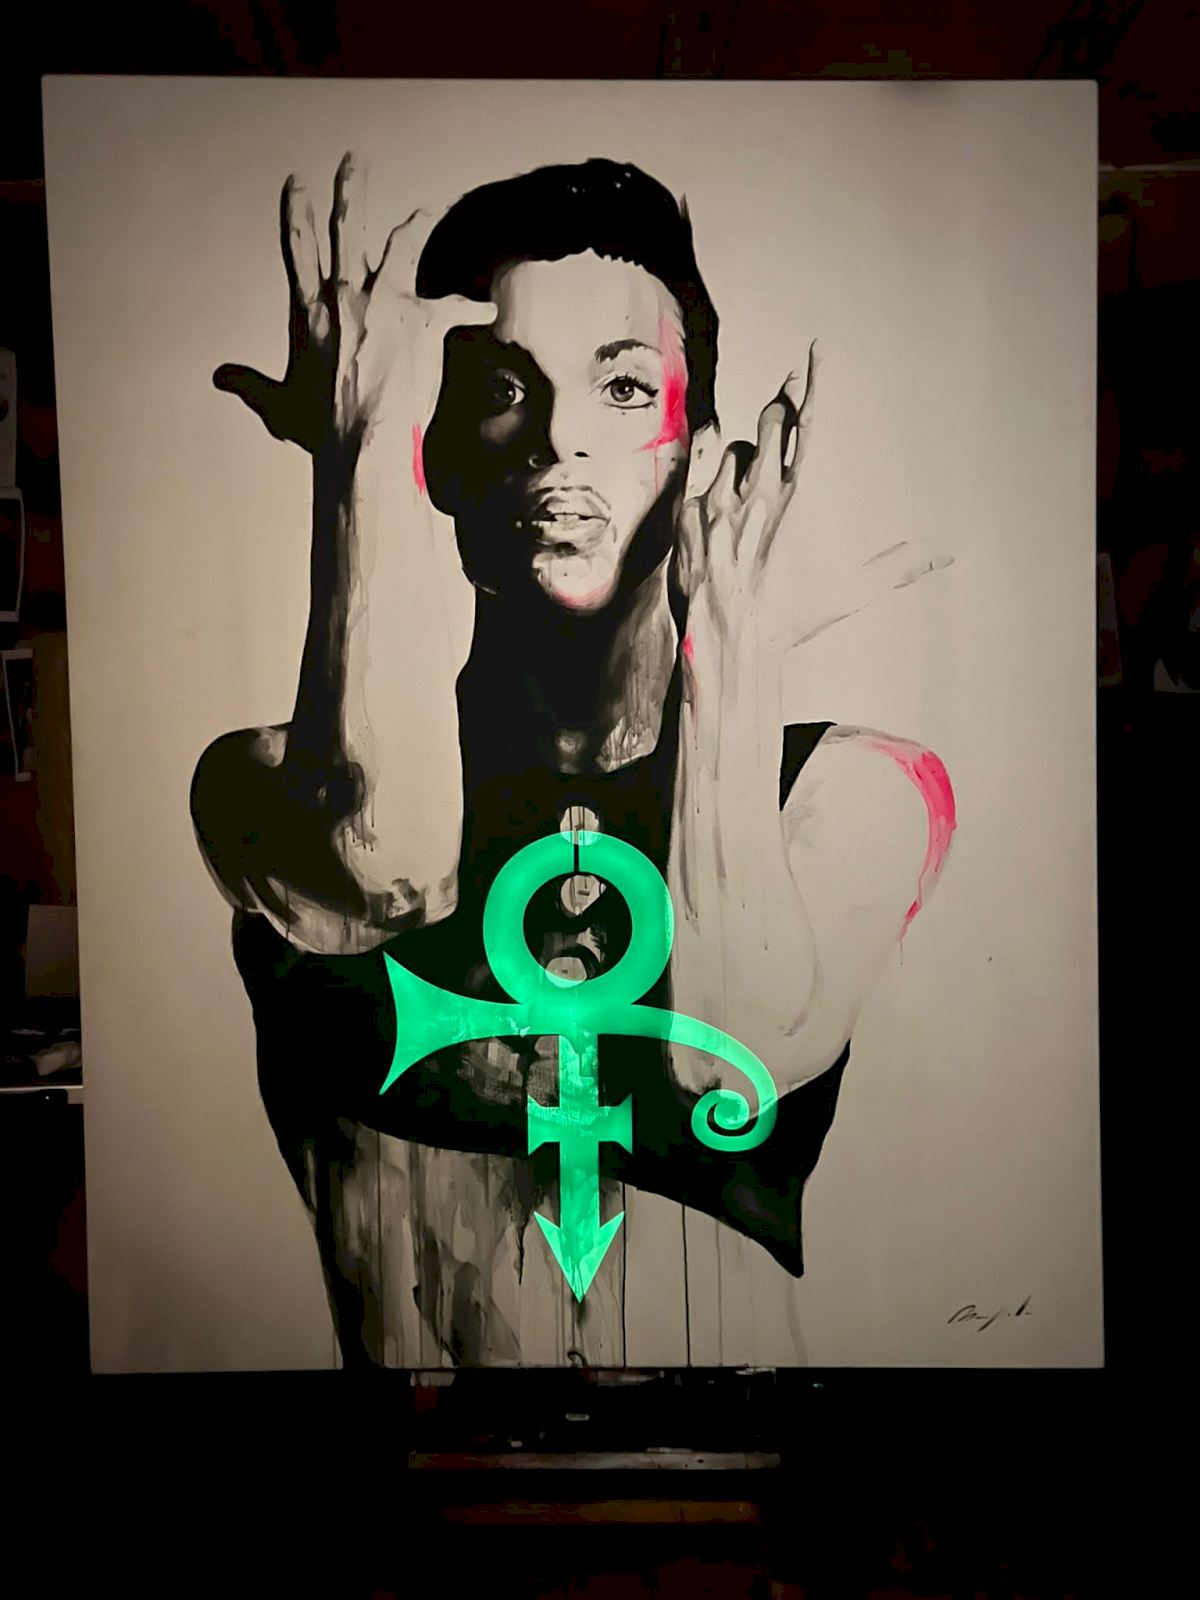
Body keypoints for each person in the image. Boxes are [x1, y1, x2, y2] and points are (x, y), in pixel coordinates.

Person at [190, 155, 953, 1368]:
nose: (557, 441)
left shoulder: (851, 797)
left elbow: (726, 1046)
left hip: (733, 1469)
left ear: (698, 451)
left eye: (623, 387)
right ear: (434, 451)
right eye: (503, 388)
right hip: (412, 1469)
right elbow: (381, 868)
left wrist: (732, 645)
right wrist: (360, 456)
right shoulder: (265, 792)